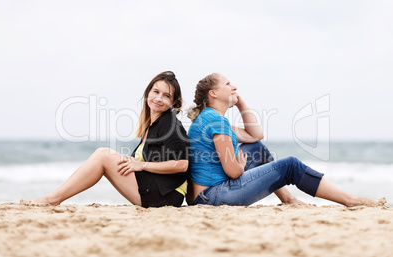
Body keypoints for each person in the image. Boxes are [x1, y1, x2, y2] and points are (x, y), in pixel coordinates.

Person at [186, 73, 386, 207]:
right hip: (212, 197)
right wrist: (239, 162)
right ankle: (350, 200)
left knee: (256, 148)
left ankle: (289, 199)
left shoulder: (212, 119)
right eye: (228, 84)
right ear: (213, 93)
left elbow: (255, 136)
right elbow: (233, 170)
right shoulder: (216, 122)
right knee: (290, 165)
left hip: (208, 194)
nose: (234, 87)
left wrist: (241, 103)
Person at [31, 71, 189, 208]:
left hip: (166, 196)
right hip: (157, 191)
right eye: (156, 92)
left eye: (166, 95)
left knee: (103, 155)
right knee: (105, 156)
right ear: (148, 93)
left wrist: (141, 165)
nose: (159, 98)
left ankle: (52, 199)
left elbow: (182, 164)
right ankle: (53, 198)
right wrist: (134, 162)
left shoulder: (169, 123)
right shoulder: (154, 125)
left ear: (174, 102)